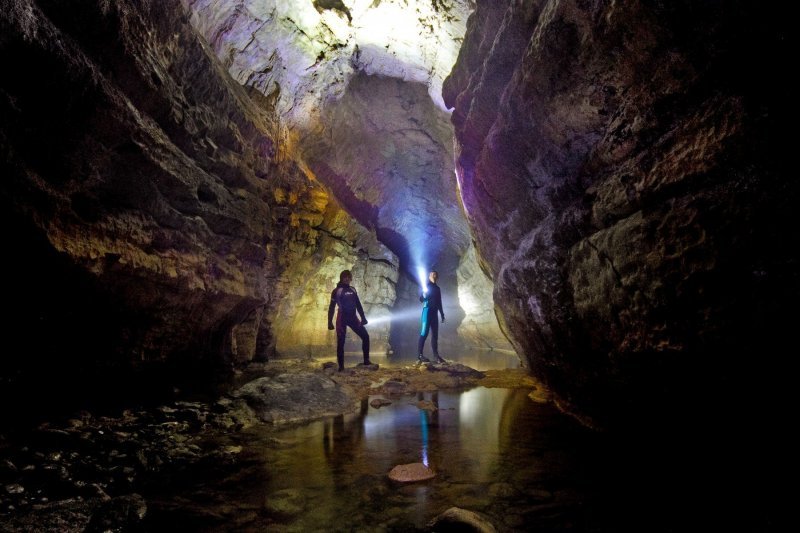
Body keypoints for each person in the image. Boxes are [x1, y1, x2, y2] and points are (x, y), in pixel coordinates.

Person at [328, 270, 370, 371]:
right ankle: (341, 367)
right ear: (341, 278)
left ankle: (366, 361)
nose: (347, 279)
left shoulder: (353, 290)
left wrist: (363, 318)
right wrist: (329, 322)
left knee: (365, 336)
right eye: (345, 277)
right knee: (341, 342)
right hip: (342, 318)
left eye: (348, 277)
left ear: (350, 278)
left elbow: (358, 305)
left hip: (353, 318)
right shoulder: (336, 291)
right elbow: (331, 308)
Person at [418, 270, 447, 363]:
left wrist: (442, 314)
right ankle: (420, 355)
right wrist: (424, 295)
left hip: (434, 314)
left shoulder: (437, 288)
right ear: (429, 276)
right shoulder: (426, 286)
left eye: (435, 274)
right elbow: (421, 299)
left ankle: (436, 356)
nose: (433, 275)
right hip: (427, 312)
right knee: (424, 333)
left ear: (436, 276)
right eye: (431, 274)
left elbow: (439, 302)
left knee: (435, 335)